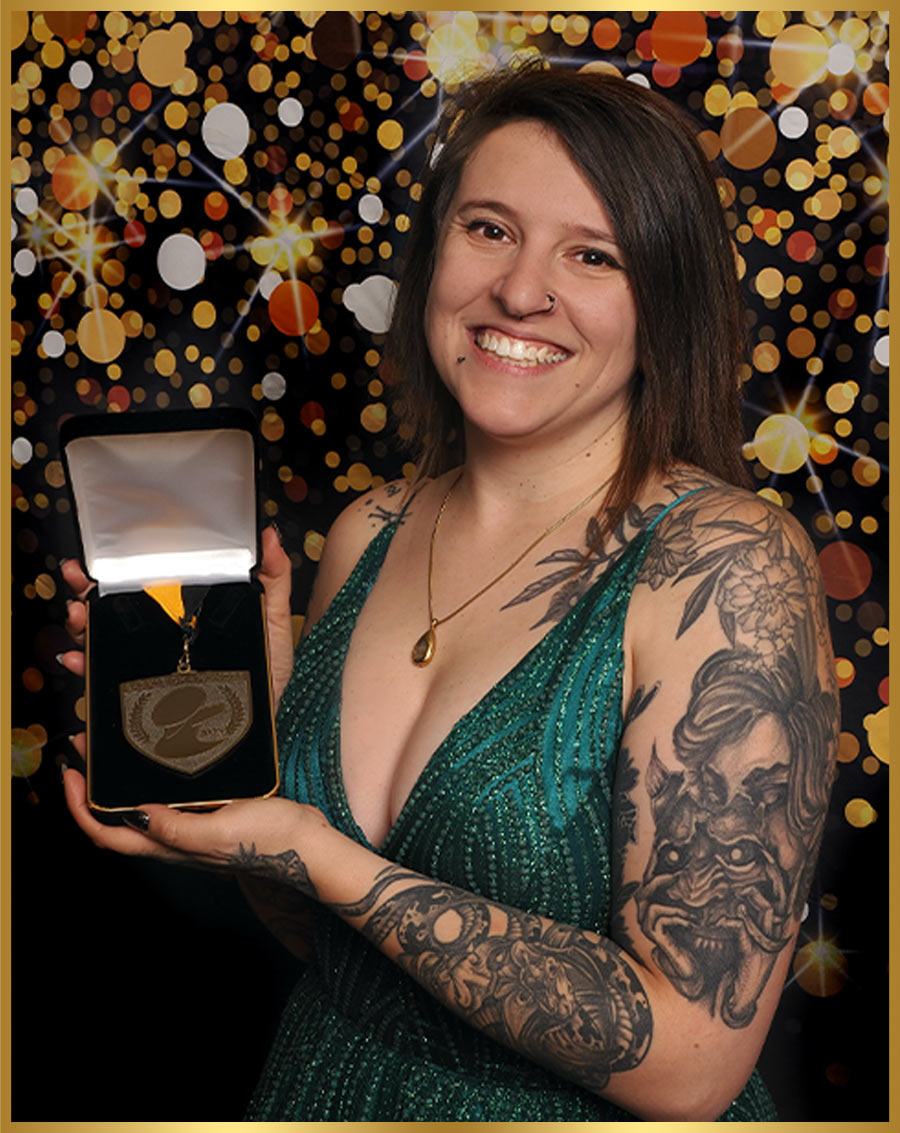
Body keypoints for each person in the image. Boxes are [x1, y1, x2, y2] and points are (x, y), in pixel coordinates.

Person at [60, 66, 839, 1121]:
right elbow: (331, 942)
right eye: (488, 229)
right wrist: (252, 802)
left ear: (664, 300)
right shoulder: (367, 533)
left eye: (593, 254)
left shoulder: (727, 567)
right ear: (433, 256)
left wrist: (313, 845)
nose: (521, 292)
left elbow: (692, 1063)